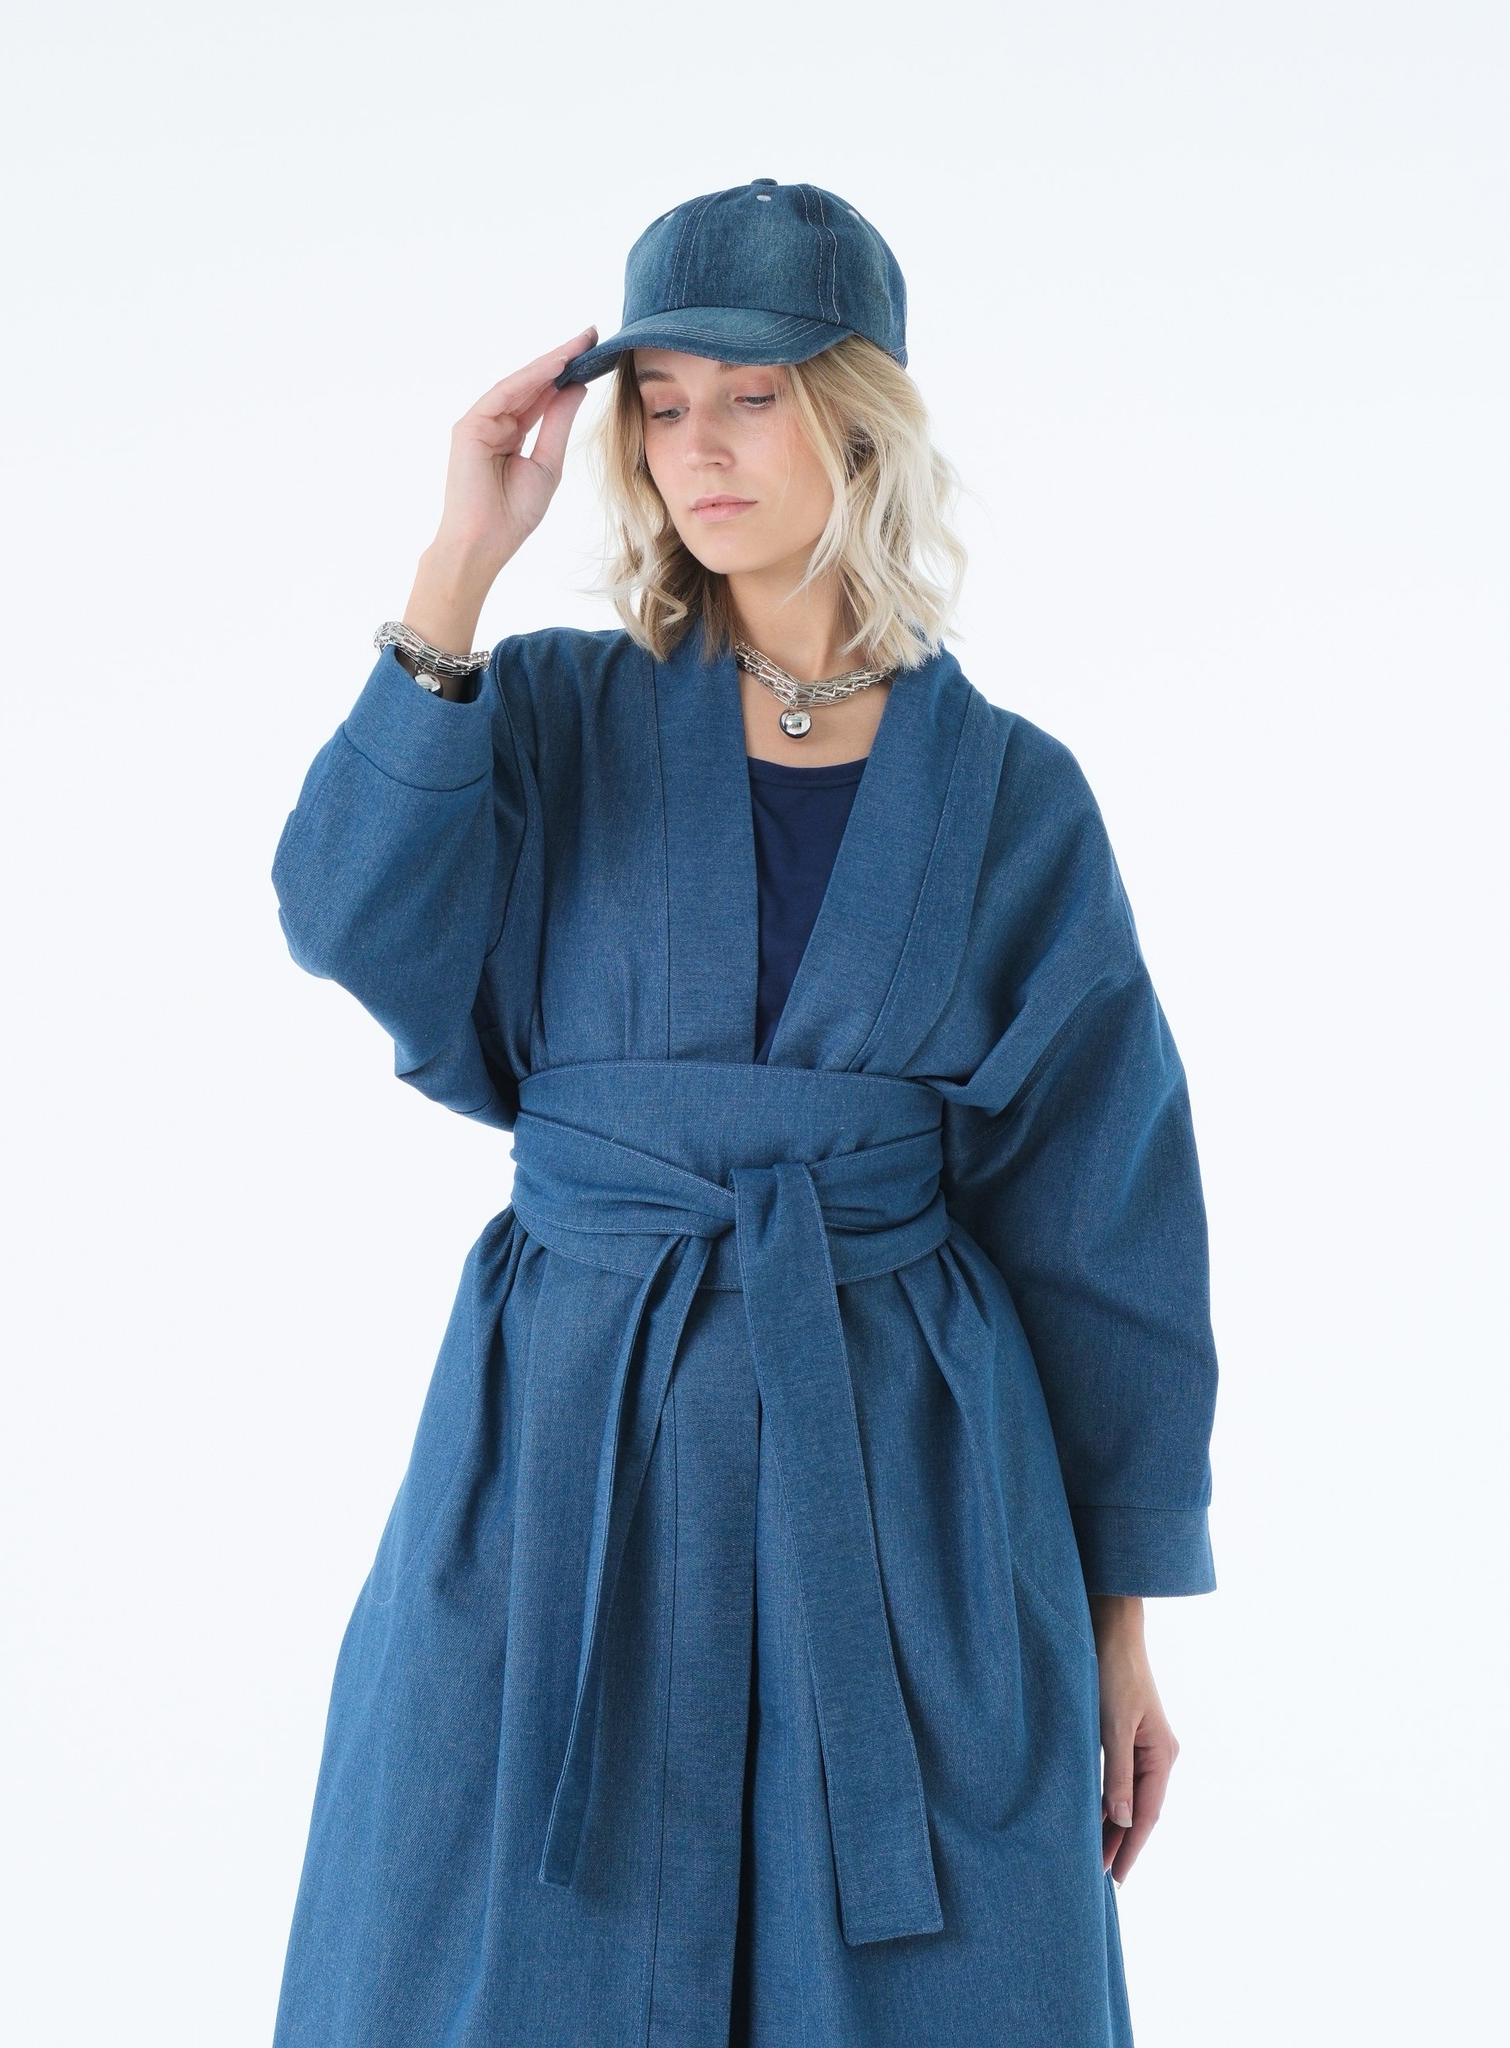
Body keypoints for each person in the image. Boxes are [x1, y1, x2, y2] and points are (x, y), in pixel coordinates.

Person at [269, 178, 1219, 2048]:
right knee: (488, 1948)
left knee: (937, 1966)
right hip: (562, 1444)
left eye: (754, 396)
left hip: (906, 1480)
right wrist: (457, 564)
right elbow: (346, 915)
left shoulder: (1011, 796)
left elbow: (1104, 1219)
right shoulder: (545, 716)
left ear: (857, 418)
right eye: (662, 402)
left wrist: (1118, 1623)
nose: (697, 445)